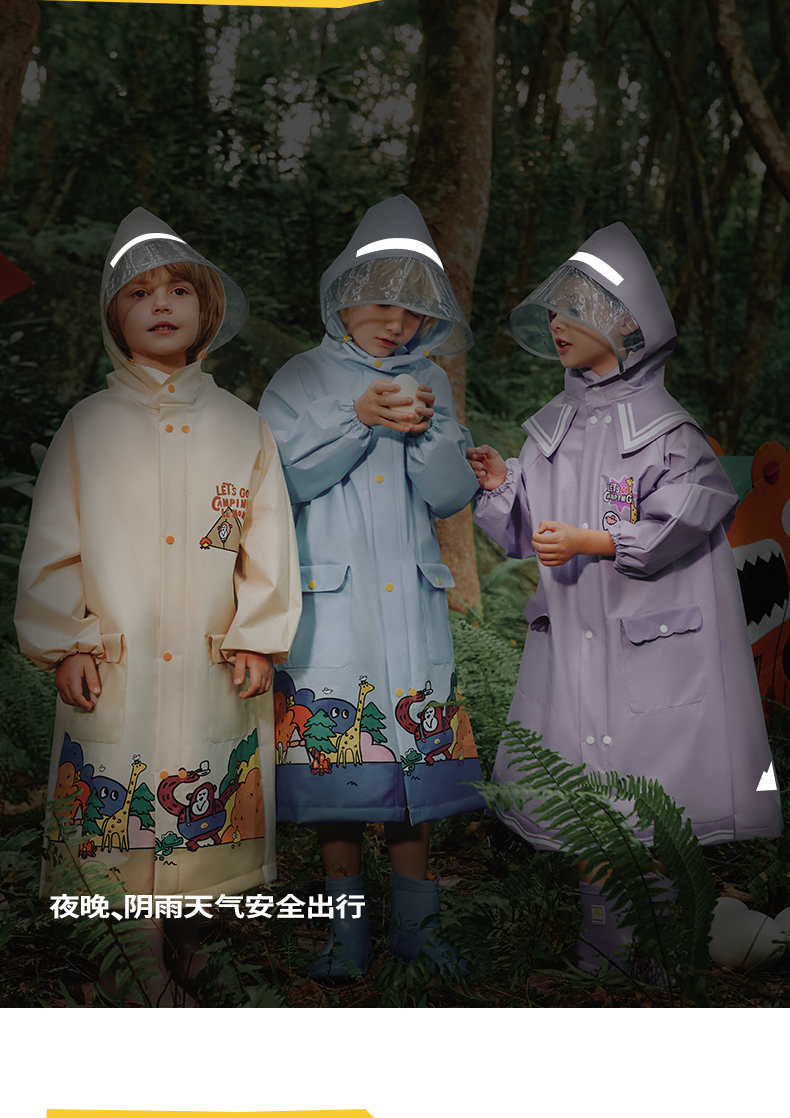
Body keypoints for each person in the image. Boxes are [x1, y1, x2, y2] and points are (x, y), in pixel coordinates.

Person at [468, 222, 783, 973]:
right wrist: (501, 488)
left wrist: (600, 541)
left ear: (627, 320)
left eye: (576, 309)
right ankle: (606, 946)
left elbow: (695, 507)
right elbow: (524, 533)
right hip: (572, 638)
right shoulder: (552, 427)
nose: (557, 323)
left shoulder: (667, 431)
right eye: (554, 310)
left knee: (650, 792)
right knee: (581, 788)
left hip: (647, 642)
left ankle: (663, 943)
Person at [15, 207, 301, 1004]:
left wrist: (257, 635)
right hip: (117, 660)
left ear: (207, 311)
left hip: (211, 661)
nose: (161, 303)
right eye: (140, 293)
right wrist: (68, 640)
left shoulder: (242, 427)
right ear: (116, 318)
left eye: (179, 289)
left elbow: (268, 543)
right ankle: (136, 965)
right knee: (120, 797)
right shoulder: (89, 426)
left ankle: (189, 939)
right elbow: (54, 543)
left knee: (202, 795)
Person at [259, 194, 482, 980]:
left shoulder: (431, 379)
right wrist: (356, 417)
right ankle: (345, 936)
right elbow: (278, 479)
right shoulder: (301, 376)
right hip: (333, 612)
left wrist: (430, 435)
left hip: (412, 610)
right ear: (347, 295)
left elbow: (450, 496)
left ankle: (419, 934)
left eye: (415, 310)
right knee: (342, 777)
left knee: (413, 773)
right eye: (383, 303)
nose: (398, 323)